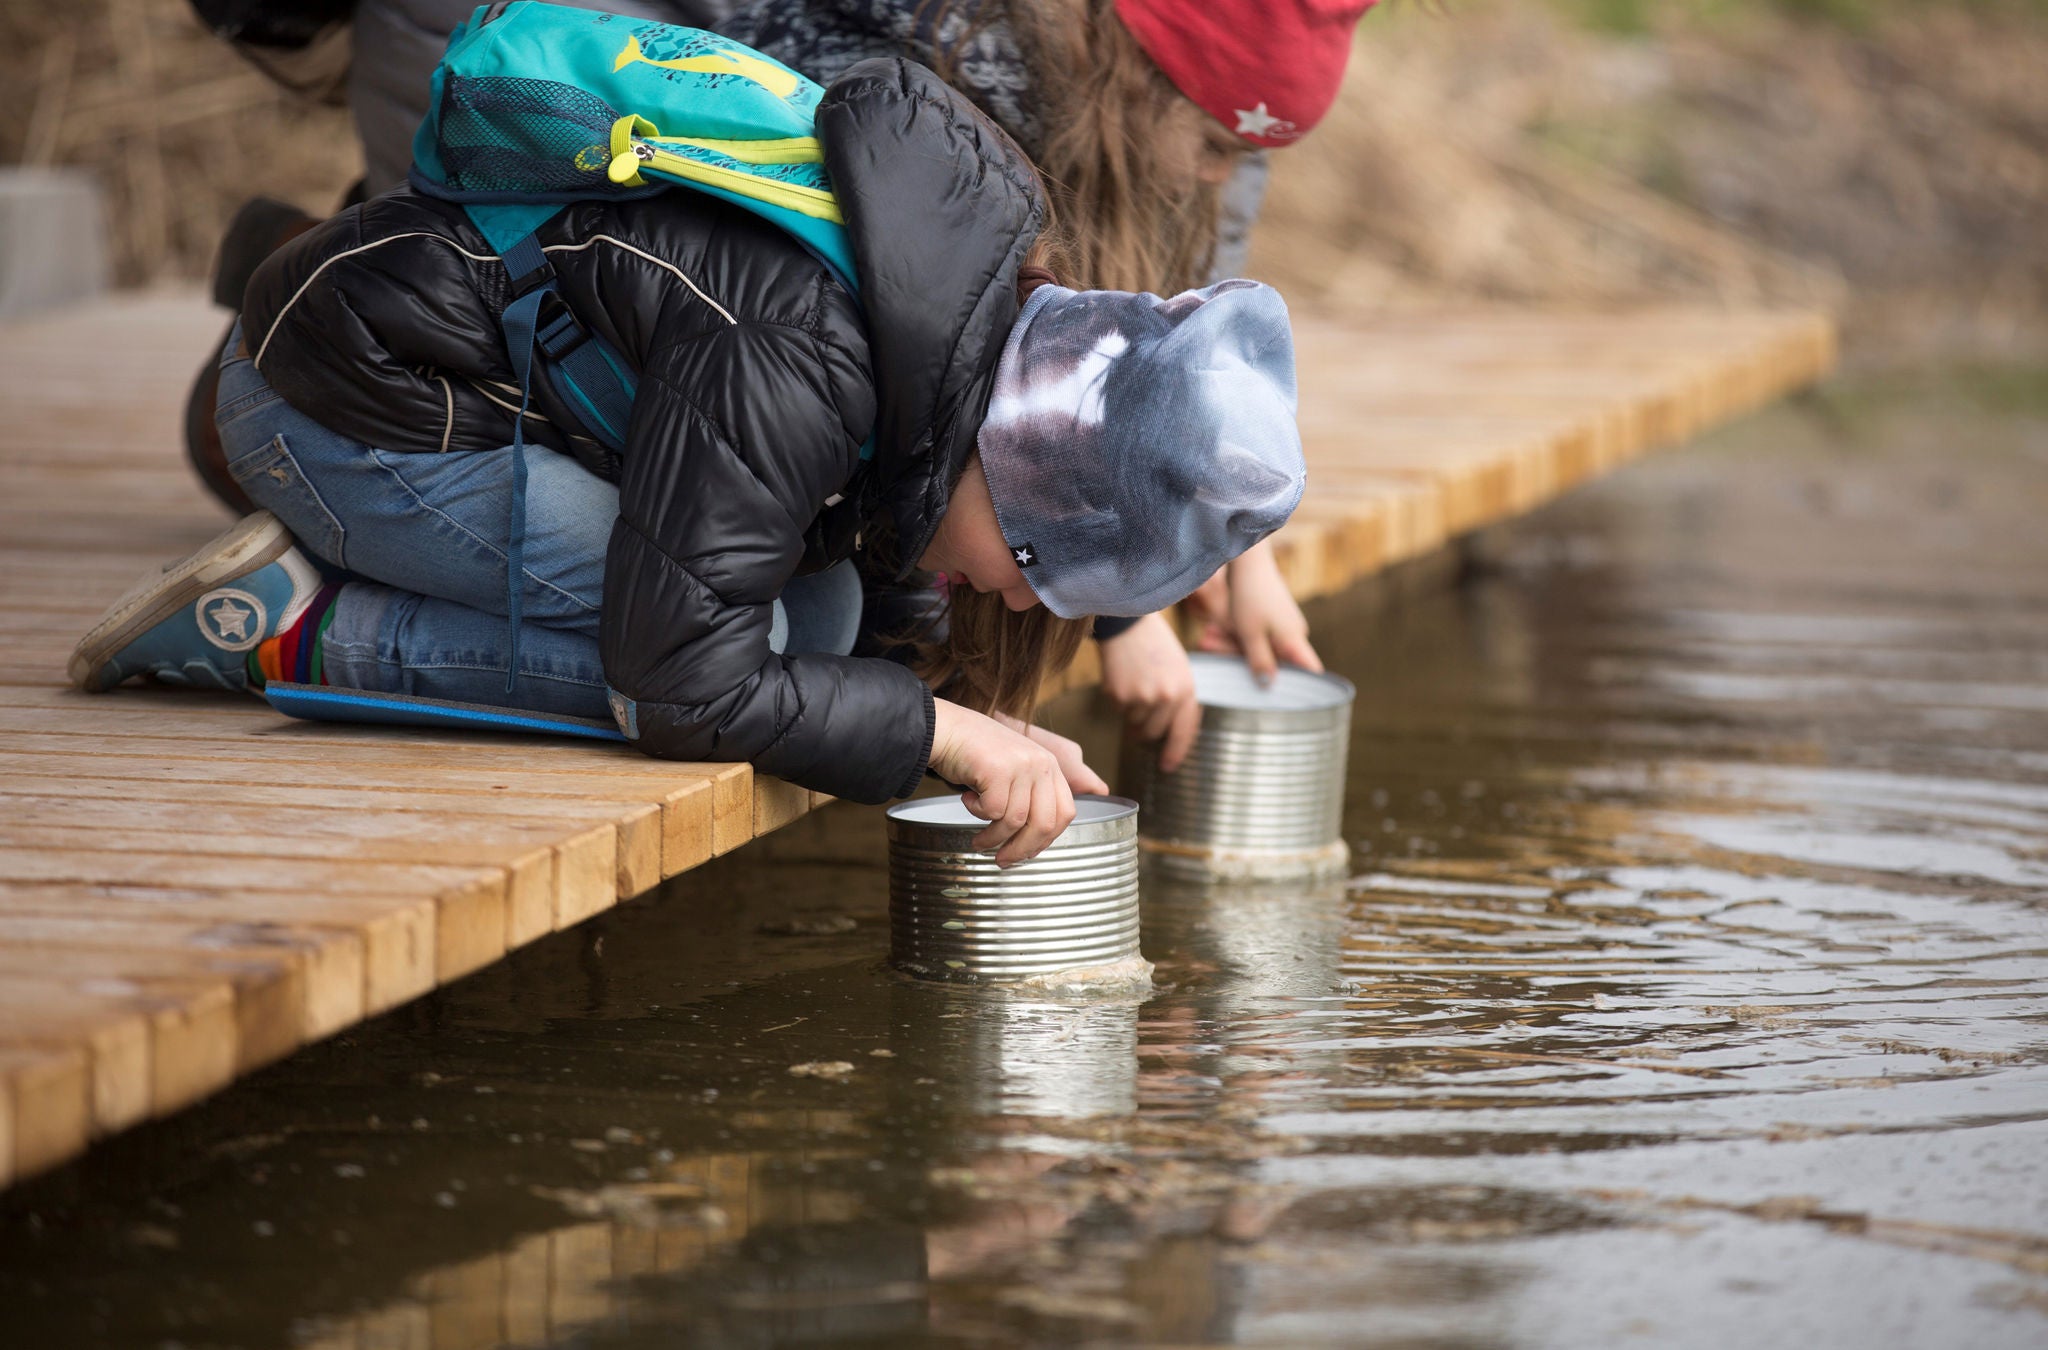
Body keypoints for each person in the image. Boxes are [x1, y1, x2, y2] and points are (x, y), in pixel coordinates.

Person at [69, 59, 1306, 867]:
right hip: (344, 410)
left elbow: (856, 544)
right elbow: (680, 684)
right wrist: (939, 729)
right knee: (743, 656)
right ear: (1023, 468)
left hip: (476, 385)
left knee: (814, 623)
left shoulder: (956, 319)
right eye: (1043, 569)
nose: (1031, 602)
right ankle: (293, 630)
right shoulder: (807, 361)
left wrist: (952, 715)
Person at [718, 0, 1371, 765]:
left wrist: (1237, 557)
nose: (1217, 175)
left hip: (781, 431)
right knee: (817, 622)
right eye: (1217, 142)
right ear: (1149, 77)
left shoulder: (1137, 147)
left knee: (823, 618)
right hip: (719, 373)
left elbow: (1149, 386)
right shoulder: (977, 110)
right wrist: (1107, 631)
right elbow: (960, 433)